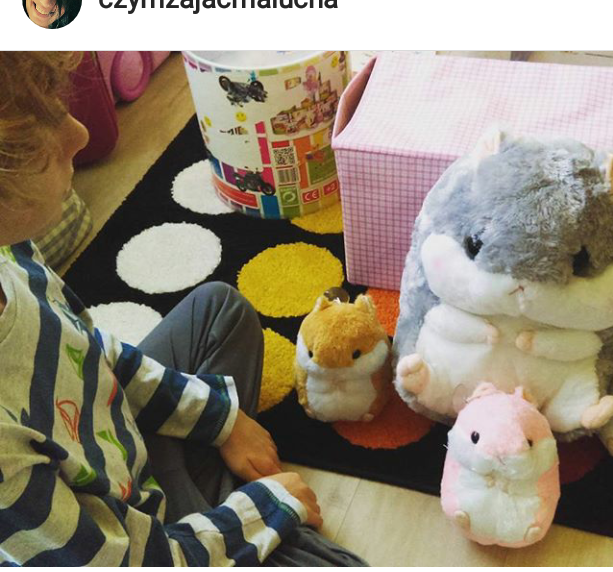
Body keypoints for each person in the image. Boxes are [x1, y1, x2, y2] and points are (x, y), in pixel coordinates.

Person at [0, 51, 367, 566]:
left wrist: (221, 419)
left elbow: (91, 352)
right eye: (31, 137)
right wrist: (263, 510)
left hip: (118, 446)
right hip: (127, 536)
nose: (79, 134)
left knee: (220, 309)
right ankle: (217, 516)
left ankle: (210, 508)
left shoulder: (11, 250)